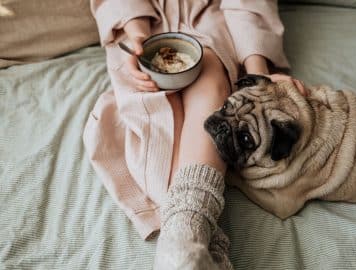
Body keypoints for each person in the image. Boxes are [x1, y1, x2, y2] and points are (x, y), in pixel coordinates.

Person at [83, 0, 305, 268]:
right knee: (161, 116)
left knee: (208, 74)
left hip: (210, 20)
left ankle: (182, 237)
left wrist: (259, 75)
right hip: (139, 23)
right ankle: (194, 241)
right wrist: (136, 34)